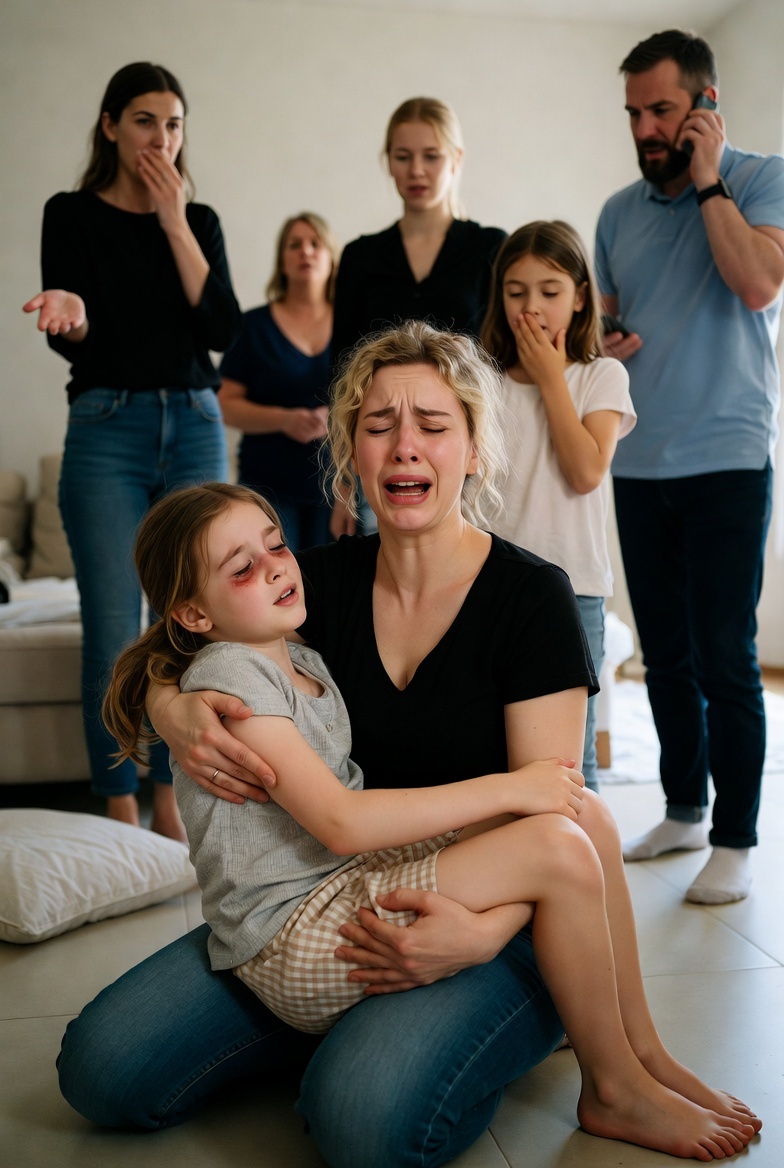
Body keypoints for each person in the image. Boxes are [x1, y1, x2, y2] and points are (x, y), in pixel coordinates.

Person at [58, 323, 760, 1166]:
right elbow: (187, 638)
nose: (405, 446)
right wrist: (176, 710)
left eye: (432, 423)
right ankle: (342, 1016)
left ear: (472, 445)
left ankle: (623, 1056)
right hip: (333, 896)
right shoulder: (309, 586)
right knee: (101, 1070)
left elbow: (557, 811)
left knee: (361, 1120)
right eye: (379, 422)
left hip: (503, 908)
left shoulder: (531, 597)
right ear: (351, 445)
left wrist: (484, 932)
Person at [21, 62, 240, 838]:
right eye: (146, 121)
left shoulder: (198, 218)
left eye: (174, 124)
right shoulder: (71, 214)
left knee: (192, 624)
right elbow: (76, 331)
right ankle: (117, 803)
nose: (162, 138)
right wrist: (68, 313)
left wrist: (175, 219)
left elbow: (220, 331)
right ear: (110, 126)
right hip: (106, 428)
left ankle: (172, 799)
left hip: (193, 424)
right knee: (114, 627)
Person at [595, 29, 784, 903]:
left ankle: (738, 838)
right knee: (664, 657)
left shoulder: (760, 178)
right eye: (634, 111)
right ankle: (682, 807)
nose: (644, 128)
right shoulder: (616, 214)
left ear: (706, 106)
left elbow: (757, 284)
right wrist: (599, 342)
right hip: (639, 463)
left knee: (724, 655)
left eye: (662, 109)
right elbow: (598, 325)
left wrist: (707, 180)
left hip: (726, 461)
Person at [481, 220, 636, 792]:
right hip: (493, 580)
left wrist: (552, 379)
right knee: (497, 742)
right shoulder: (485, 381)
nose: (532, 307)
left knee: (572, 757)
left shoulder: (602, 376)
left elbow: (585, 472)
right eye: (516, 291)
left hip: (576, 586)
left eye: (549, 291)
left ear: (578, 296)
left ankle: (586, 875)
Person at [330, 95, 506, 536]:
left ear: (456, 159)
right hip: (385, 447)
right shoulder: (360, 256)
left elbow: (506, 356)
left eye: (432, 156)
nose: (417, 171)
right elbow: (341, 369)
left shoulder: (490, 248)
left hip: (463, 449)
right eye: (403, 157)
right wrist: (345, 479)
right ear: (387, 162)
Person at [218, 213, 339, 551]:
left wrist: (337, 416)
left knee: (333, 589)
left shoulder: (353, 324)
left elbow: (377, 396)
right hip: (268, 484)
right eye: (295, 244)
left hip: (339, 485)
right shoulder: (252, 326)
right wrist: (284, 420)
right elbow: (224, 404)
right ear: (281, 261)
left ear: (332, 258)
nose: (306, 252)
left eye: (316, 244)